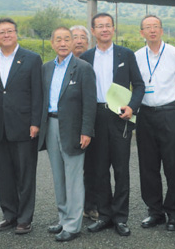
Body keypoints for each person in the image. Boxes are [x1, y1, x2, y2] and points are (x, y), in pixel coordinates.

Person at [80, 13, 144, 237]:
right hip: (95, 115)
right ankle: (104, 215)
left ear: (113, 29)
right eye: (100, 26)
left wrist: (132, 107)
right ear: (93, 31)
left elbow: (138, 85)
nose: (105, 29)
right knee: (98, 170)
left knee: (121, 169)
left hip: (119, 115)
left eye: (108, 25)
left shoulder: (125, 54)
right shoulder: (86, 57)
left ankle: (120, 218)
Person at [38, 27, 97, 242]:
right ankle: (63, 218)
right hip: (51, 125)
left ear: (73, 43)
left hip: (73, 128)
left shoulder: (83, 68)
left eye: (67, 39)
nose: (63, 43)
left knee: (73, 177)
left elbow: (90, 103)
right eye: (58, 39)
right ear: (52, 43)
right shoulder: (46, 68)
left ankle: (73, 225)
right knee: (58, 176)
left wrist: (86, 131)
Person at [0, 17, 42, 235]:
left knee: (26, 174)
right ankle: (9, 215)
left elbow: (38, 93)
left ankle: (25, 218)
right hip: (0, 128)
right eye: (1, 32)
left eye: (10, 31)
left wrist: (36, 122)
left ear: (16, 33)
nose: (6, 35)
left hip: (25, 126)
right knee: (5, 174)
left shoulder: (32, 59)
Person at [134, 15, 175, 231]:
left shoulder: (174, 53)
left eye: (155, 26)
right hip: (145, 114)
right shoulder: (136, 56)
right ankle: (154, 211)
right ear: (142, 32)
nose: (152, 30)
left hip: (169, 113)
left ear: (162, 30)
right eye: (147, 27)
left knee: (172, 165)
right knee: (148, 166)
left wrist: (172, 110)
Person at [70, 24, 97, 220]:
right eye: (74, 37)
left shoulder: (94, 63)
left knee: (93, 166)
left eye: (82, 37)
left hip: (92, 121)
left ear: (88, 42)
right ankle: (71, 208)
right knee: (70, 167)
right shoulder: (62, 64)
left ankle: (91, 205)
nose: (79, 40)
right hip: (68, 123)